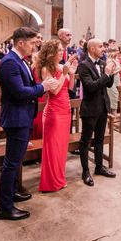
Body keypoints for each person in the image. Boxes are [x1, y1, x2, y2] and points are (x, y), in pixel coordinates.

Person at [0, 27, 58, 221]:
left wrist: (38, 87)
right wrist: (43, 87)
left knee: (15, 161)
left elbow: (27, 87)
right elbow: (20, 92)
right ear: (20, 43)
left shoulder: (20, 61)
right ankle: (5, 208)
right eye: (32, 43)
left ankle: (13, 192)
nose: (35, 45)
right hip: (16, 118)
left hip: (22, 116)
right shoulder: (9, 63)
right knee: (11, 164)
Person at [77, 38, 120, 186]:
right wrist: (106, 74)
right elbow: (90, 87)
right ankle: (85, 171)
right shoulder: (83, 66)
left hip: (102, 107)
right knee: (86, 141)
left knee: (100, 138)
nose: (104, 49)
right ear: (92, 49)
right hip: (90, 109)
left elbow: (108, 84)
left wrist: (111, 73)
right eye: (101, 47)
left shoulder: (102, 63)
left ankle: (99, 167)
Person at [36, 39, 77, 193]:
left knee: (61, 147)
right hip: (54, 113)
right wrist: (64, 73)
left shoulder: (61, 66)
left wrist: (71, 74)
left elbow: (70, 88)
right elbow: (54, 91)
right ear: (51, 52)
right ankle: (50, 182)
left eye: (62, 50)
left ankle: (60, 178)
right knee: (52, 148)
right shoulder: (46, 69)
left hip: (65, 110)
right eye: (59, 50)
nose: (62, 52)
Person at [105, 46, 121, 113]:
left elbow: (118, 70)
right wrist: (120, 69)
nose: (118, 52)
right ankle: (112, 114)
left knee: (116, 96)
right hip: (111, 80)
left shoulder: (117, 60)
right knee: (113, 96)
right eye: (116, 51)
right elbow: (110, 73)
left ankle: (114, 114)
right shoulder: (109, 60)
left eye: (118, 50)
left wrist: (120, 69)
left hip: (117, 79)